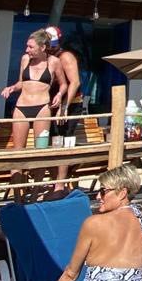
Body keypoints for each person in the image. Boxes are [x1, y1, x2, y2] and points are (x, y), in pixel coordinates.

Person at [1, 29, 67, 151]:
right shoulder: (25, 59)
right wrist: (12, 88)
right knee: (18, 151)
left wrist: (59, 94)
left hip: (42, 109)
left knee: (40, 151)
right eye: (27, 46)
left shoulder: (54, 62)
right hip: (21, 107)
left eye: (31, 47)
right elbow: (21, 82)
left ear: (42, 47)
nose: (27, 50)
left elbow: (63, 84)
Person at [48, 27, 82, 197]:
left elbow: (74, 82)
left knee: (60, 141)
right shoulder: (48, 58)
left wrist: (64, 106)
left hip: (69, 103)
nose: (50, 47)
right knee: (51, 143)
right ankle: (56, 182)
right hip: (52, 104)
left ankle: (59, 185)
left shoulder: (65, 57)